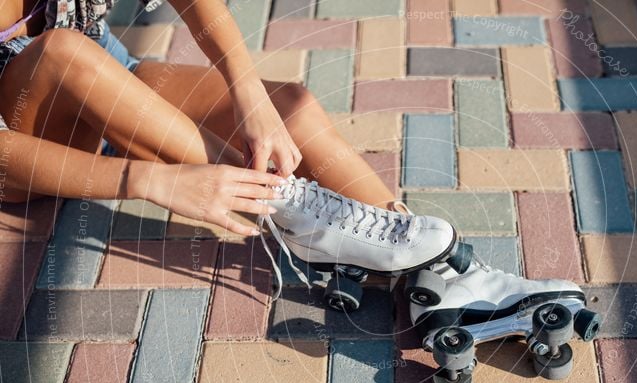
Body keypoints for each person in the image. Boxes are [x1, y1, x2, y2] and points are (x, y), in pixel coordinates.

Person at [0, 0, 400, 236]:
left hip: (101, 68)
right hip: (27, 143)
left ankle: (417, 250)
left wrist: (251, 95)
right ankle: (302, 214)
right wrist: (148, 180)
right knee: (60, 56)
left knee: (290, 106)